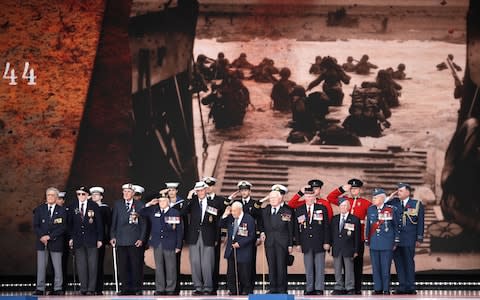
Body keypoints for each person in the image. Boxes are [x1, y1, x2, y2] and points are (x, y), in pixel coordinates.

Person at [326, 178, 371, 294]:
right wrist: (342, 189)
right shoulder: (345, 200)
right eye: (352, 189)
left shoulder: (365, 202)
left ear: (360, 189)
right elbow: (330, 198)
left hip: (358, 238)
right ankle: (345, 287)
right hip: (343, 239)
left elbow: (374, 211)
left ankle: (356, 288)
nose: (353, 191)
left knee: (357, 264)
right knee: (344, 264)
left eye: (355, 188)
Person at [181, 181, 224, 295]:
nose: (200, 192)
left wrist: (216, 238)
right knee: (195, 262)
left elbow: (216, 222)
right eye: (198, 191)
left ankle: (208, 287)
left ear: (205, 190)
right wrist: (189, 197)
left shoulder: (213, 202)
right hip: (194, 236)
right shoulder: (193, 202)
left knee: (207, 263)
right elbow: (183, 212)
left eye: (201, 190)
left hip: (208, 236)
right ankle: (198, 287)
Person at [386, 183, 425, 295]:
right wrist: (390, 197)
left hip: (409, 238)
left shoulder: (416, 204)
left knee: (409, 262)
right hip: (396, 240)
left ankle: (410, 286)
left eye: (401, 191)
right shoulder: (394, 203)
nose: (399, 192)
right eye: (398, 190)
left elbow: (420, 222)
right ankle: (402, 287)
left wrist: (419, 238)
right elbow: (381, 205)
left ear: (408, 192)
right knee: (398, 263)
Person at [142, 193, 183, 295]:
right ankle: (160, 288)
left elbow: (179, 230)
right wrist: (149, 204)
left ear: (168, 202)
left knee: (171, 267)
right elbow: (141, 212)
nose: (161, 203)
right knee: (159, 267)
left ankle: (170, 289)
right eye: (160, 201)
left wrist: (178, 245)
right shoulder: (154, 211)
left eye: (163, 201)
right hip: (157, 243)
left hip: (170, 243)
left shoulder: (174, 212)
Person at [110, 183, 147, 295]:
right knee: (123, 266)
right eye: (124, 191)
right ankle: (125, 289)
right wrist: (112, 236)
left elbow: (144, 224)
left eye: (128, 192)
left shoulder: (140, 205)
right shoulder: (118, 204)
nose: (126, 193)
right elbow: (114, 222)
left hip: (135, 240)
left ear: (133, 193)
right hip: (121, 240)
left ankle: (137, 289)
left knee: (136, 265)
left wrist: (141, 238)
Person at [294, 186, 330, 295]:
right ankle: (309, 288)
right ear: (304, 197)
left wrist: (327, 241)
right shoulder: (299, 210)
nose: (309, 198)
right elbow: (296, 228)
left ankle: (319, 288)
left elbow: (326, 227)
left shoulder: (322, 208)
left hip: (319, 242)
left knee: (319, 267)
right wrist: (298, 243)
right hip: (305, 243)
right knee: (308, 266)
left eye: (311, 196)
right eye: (307, 196)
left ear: (315, 197)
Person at [68, 186, 103, 295]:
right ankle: (83, 288)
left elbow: (99, 224)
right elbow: (70, 224)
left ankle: (91, 289)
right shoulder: (73, 206)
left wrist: (100, 239)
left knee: (92, 265)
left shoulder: (94, 205)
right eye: (79, 194)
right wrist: (71, 238)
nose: (81, 196)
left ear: (88, 195)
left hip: (91, 239)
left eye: (83, 194)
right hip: (78, 240)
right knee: (81, 265)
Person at [259, 184, 294, 294]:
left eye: (274, 198)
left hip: (282, 243)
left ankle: (282, 289)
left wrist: (290, 244)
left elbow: (290, 229)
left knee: (281, 266)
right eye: (271, 198)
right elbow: (260, 223)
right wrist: (262, 232)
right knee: (272, 266)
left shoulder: (286, 211)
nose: (272, 200)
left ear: (280, 199)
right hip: (269, 242)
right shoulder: (265, 210)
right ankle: (273, 288)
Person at [365, 188, 401, 295]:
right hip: (374, 242)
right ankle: (378, 288)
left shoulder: (391, 209)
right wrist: (367, 238)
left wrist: (396, 240)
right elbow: (368, 225)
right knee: (376, 268)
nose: (373, 199)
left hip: (387, 242)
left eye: (375, 197)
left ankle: (386, 289)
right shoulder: (371, 209)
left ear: (382, 198)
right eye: (373, 197)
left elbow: (395, 226)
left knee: (385, 267)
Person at [227, 181, 262, 289]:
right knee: (236, 265)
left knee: (250, 263)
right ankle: (237, 287)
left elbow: (259, 220)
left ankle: (249, 286)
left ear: (249, 191)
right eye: (242, 190)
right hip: (237, 238)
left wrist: (258, 235)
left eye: (245, 190)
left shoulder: (254, 203)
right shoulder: (236, 203)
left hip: (249, 238)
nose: (244, 192)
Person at [32, 187, 67, 296]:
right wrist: (42, 236)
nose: (50, 197)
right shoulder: (39, 209)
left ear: (57, 197)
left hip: (55, 242)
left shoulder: (62, 210)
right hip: (42, 242)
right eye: (48, 195)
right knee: (41, 267)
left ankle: (57, 288)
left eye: (52, 195)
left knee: (57, 267)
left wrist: (50, 237)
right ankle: (40, 288)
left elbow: (62, 227)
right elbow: (36, 225)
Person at [220, 201, 256, 295]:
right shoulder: (231, 218)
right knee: (231, 272)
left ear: (240, 210)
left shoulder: (249, 219)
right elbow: (220, 224)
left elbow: (251, 236)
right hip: (231, 250)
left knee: (244, 272)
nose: (232, 213)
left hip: (243, 250)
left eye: (234, 211)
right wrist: (225, 214)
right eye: (232, 211)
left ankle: (246, 290)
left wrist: (240, 243)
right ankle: (233, 290)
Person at [330, 198, 361, 295]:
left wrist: (356, 250)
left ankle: (350, 287)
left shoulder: (355, 219)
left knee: (349, 269)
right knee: (337, 269)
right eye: (341, 206)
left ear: (348, 207)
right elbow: (332, 234)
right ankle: (339, 286)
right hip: (337, 248)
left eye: (344, 206)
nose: (343, 207)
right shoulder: (335, 219)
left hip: (349, 248)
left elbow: (357, 237)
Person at [203, 176, 228, 294]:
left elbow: (223, 219)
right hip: (202, 235)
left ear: (214, 187)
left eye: (210, 186)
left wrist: (221, 234)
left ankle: (213, 286)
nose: (208, 188)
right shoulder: (201, 199)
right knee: (201, 261)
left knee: (214, 260)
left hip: (215, 235)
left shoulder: (220, 201)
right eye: (206, 186)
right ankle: (203, 285)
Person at [89, 186, 112, 295]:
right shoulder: (87, 207)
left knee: (98, 264)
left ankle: (98, 288)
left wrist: (107, 240)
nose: (94, 196)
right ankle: (89, 287)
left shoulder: (104, 208)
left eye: (96, 195)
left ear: (101, 197)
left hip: (100, 240)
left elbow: (109, 225)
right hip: (88, 240)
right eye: (93, 195)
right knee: (88, 264)